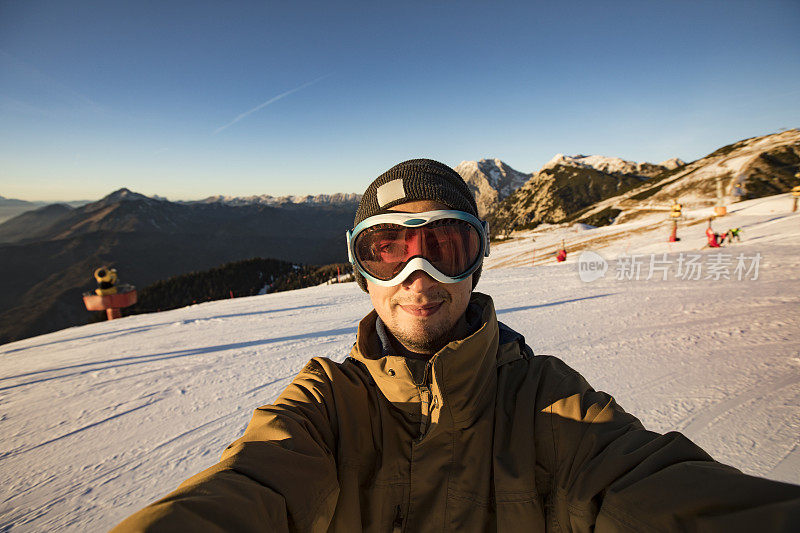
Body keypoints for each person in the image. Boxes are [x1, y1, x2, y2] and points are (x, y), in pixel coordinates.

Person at [114, 159, 800, 532]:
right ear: (359, 269)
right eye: (388, 249)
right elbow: (248, 486)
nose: (419, 277)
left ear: (476, 263)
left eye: (445, 246)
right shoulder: (325, 406)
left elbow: (649, 482)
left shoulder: (546, 402)